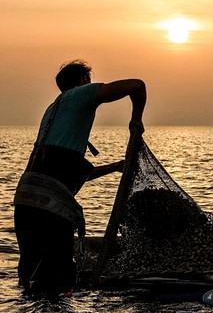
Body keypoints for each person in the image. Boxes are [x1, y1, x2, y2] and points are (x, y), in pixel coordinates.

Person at [13, 59, 146, 294]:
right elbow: (137, 85)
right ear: (84, 81)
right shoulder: (82, 94)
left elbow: (68, 174)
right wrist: (136, 119)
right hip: (50, 206)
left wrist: (115, 167)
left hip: (26, 199)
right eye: (89, 80)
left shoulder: (53, 111)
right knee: (59, 275)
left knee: (31, 274)